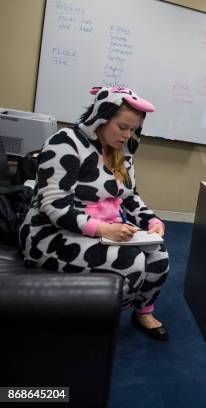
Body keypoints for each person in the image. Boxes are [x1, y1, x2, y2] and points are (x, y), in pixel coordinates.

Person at [19, 86, 169, 341]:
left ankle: (142, 311)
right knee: (131, 262)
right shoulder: (64, 142)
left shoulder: (123, 152)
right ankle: (96, 323)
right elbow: (54, 206)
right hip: (48, 232)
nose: (127, 135)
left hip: (103, 227)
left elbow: (129, 197)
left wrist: (152, 220)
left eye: (133, 129)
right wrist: (102, 229)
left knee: (159, 257)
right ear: (100, 117)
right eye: (122, 127)